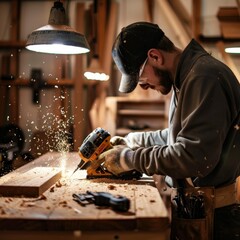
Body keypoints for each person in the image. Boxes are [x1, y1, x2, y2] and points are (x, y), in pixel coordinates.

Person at [99, 22, 240, 239]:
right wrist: (134, 140)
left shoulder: (204, 78)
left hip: (216, 219)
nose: (143, 86)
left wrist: (130, 159)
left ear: (155, 56)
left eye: (140, 78)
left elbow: (194, 157)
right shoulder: (185, 78)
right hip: (198, 208)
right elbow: (178, 137)